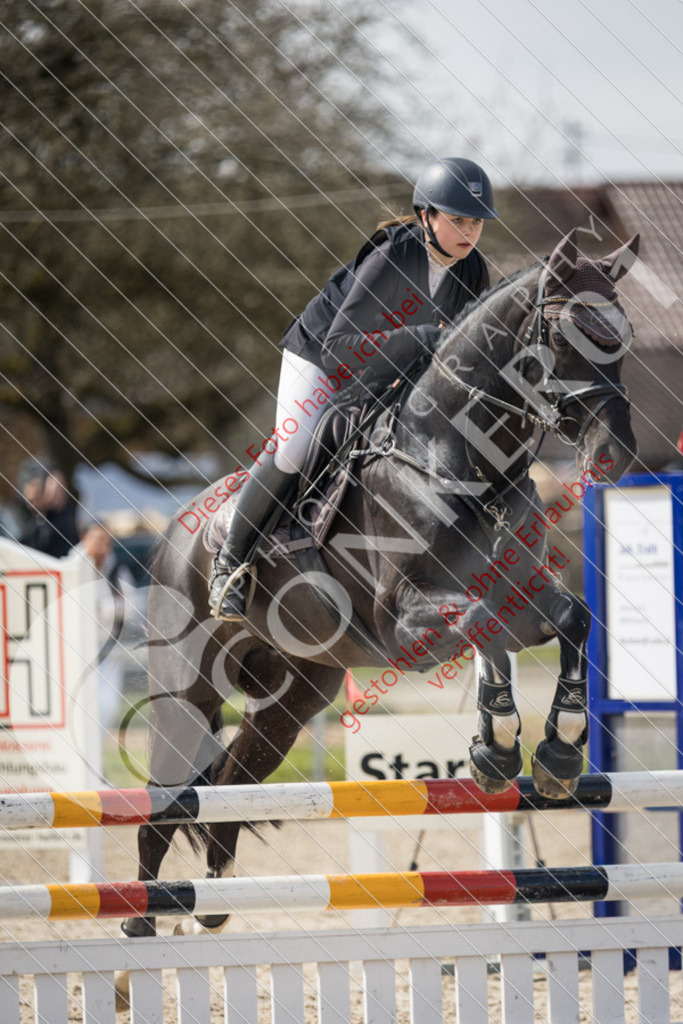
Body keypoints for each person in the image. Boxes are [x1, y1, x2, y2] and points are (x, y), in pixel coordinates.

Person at [209, 156, 499, 621]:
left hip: (386, 369)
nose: (469, 232)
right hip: (321, 357)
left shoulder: (472, 270)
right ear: (426, 215)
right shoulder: (394, 255)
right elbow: (340, 346)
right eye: (458, 220)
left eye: (477, 223)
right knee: (295, 449)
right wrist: (421, 337)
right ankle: (230, 564)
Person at [78, 522, 139, 733]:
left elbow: (131, 606)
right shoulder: (72, 569)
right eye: (97, 540)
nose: (101, 547)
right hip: (78, 651)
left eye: (106, 542)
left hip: (108, 650)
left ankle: (97, 751)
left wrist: (102, 607)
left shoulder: (116, 571)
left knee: (107, 706)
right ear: (84, 539)